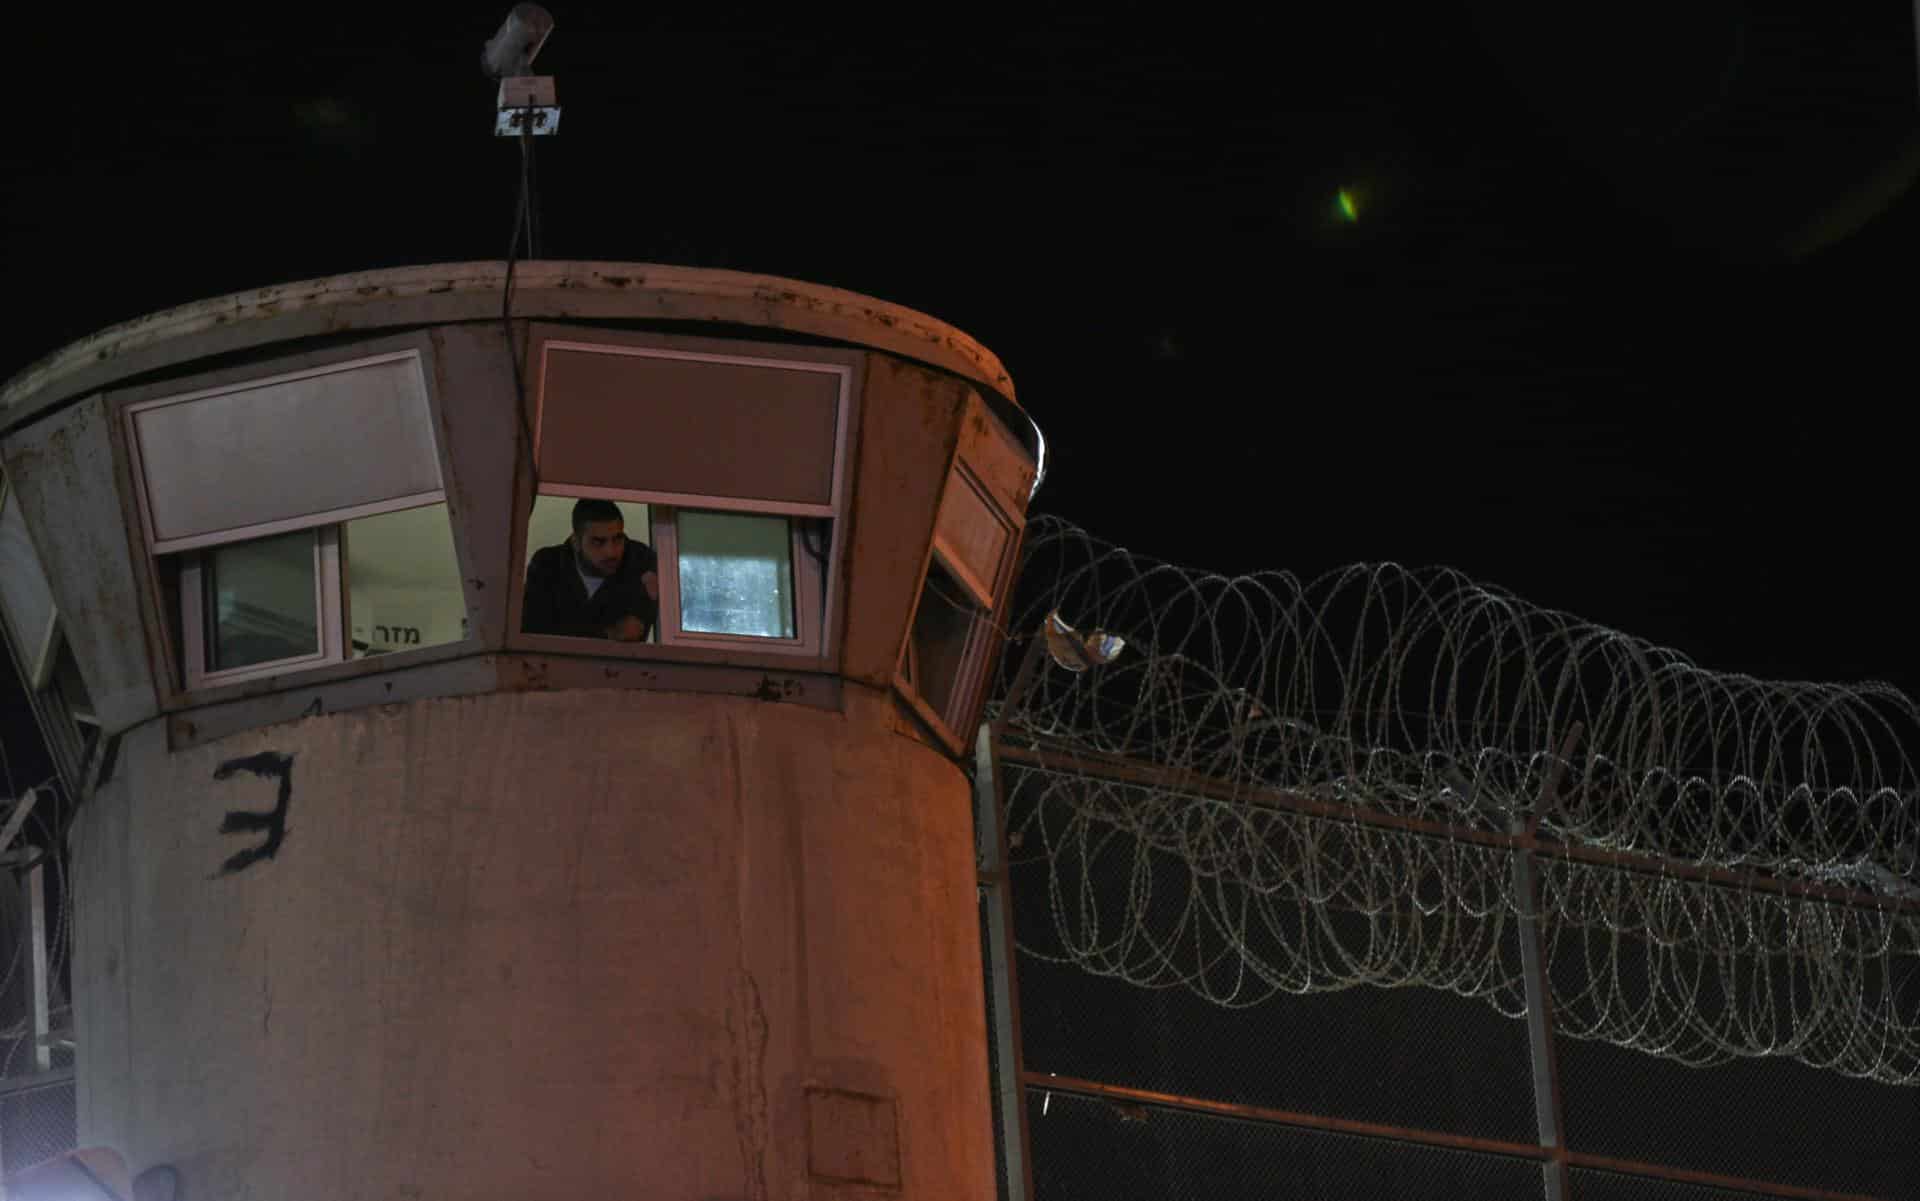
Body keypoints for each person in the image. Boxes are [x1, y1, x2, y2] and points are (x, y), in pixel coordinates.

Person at [522, 498, 660, 640]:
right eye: (598, 542)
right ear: (575, 542)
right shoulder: (548, 564)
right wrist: (609, 633)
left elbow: (634, 629)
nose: (611, 552)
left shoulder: (639, 560)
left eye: (618, 539)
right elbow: (533, 631)